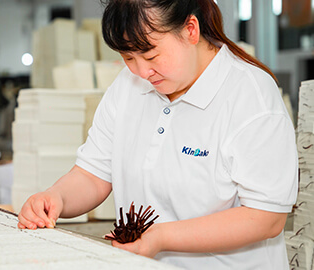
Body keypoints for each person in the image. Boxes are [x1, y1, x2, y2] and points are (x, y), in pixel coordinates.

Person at [18, 0, 298, 269]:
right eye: (128, 57)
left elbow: (265, 217)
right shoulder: (128, 86)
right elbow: (93, 174)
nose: (141, 71)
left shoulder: (250, 96)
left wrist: (161, 237)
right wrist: (56, 198)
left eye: (151, 55)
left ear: (190, 30)